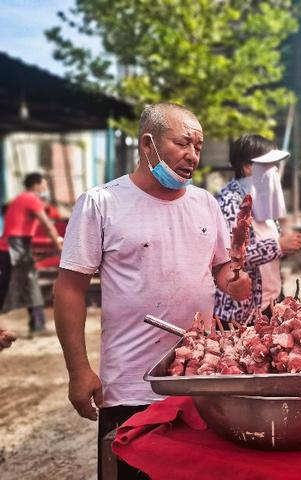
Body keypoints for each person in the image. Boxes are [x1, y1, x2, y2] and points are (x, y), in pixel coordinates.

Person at [54, 103, 252, 479]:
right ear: (149, 145)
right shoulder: (101, 203)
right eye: (183, 143)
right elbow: (69, 290)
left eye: (198, 146)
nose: (193, 155)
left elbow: (221, 267)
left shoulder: (205, 204)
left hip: (200, 379)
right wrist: (78, 370)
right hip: (131, 386)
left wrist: (234, 281)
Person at [215, 134, 301, 324]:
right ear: (248, 167)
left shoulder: (263, 198)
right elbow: (227, 258)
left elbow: (272, 242)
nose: (274, 170)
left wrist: (288, 245)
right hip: (241, 315)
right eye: (268, 164)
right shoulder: (229, 203)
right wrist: (278, 246)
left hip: (271, 303)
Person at [0, 172, 62, 336]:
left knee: (9, 286)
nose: (45, 187)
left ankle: (37, 324)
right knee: (30, 284)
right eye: (44, 184)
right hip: (16, 247)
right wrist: (59, 247)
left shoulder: (20, 199)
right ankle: (38, 325)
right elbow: (47, 225)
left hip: (9, 246)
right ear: (36, 184)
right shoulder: (31, 198)